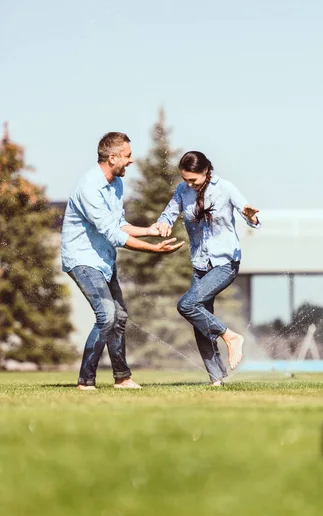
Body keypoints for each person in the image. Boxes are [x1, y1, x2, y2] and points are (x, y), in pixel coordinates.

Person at [61, 132, 184, 391]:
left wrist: (150, 230)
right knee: (106, 316)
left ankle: (122, 378)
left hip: (103, 260)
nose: (131, 160)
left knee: (119, 317)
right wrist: (154, 250)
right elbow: (113, 234)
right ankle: (85, 381)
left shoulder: (116, 184)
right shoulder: (89, 188)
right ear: (113, 157)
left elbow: (120, 225)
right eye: (127, 156)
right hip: (83, 260)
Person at [156, 150, 260, 386]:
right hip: (200, 264)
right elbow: (169, 212)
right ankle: (217, 378)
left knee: (187, 304)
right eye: (185, 180)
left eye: (193, 179)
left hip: (225, 263)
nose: (189, 184)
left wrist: (251, 217)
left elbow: (249, 213)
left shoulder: (225, 188)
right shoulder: (183, 191)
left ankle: (231, 337)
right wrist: (163, 223)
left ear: (205, 171)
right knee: (199, 318)